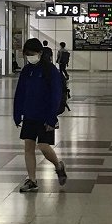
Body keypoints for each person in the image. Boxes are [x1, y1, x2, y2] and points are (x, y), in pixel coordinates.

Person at [13, 38, 68, 193]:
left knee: (44, 146)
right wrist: (17, 114)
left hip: (45, 115)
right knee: (28, 147)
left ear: (40, 53)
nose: (30, 57)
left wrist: (52, 118)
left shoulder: (50, 71)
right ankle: (32, 180)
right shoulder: (26, 70)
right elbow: (20, 93)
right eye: (27, 55)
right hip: (29, 114)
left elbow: (56, 95)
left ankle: (58, 165)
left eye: (32, 54)